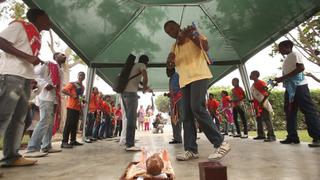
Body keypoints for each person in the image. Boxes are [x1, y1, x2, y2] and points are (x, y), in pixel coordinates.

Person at [164, 20, 230, 161]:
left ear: (178, 25)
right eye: (168, 32)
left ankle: (221, 142)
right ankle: (191, 150)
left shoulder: (192, 33)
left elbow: (205, 47)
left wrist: (192, 35)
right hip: (184, 81)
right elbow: (170, 72)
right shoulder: (173, 46)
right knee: (186, 115)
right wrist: (169, 63)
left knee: (197, 108)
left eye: (172, 28)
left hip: (199, 76)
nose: (171, 32)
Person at [0, 8, 51, 167]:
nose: (50, 22)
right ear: (40, 17)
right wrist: (28, 57)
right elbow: (1, 41)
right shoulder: (21, 26)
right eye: (48, 17)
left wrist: (32, 69)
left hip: (25, 79)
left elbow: (25, 54)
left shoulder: (36, 35)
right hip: (11, 77)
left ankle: (11, 157)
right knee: (3, 116)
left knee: (18, 120)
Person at [275, 40, 320, 147]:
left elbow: (301, 68)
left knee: (308, 111)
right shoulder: (288, 57)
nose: (279, 50)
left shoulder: (295, 54)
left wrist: (283, 78)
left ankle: (317, 137)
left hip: (300, 87)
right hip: (291, 89)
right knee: (289, 111)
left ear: (287, 47)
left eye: (280, 48)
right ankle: (292, 137)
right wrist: (282, 79)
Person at [24, 52, 66, 158]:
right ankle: (32, 148)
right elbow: (36, 74)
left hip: (54, 99)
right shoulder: (47, 64)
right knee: (44, 121)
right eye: (61, 54)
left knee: (50, 123)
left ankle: (46, 146)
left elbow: (58, 86)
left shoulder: (60, 69)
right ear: (55, 57)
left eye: (64, 55)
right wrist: (45, 84)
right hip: (45, 97)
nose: (64, 56)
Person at [122, 55, 151, 151]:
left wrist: (143, 88)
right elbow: (145, 77)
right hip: (131, 95)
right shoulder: (141, 65)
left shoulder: (133, 67)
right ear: (146, 62)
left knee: (129, 118)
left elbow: (133, 86)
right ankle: (130, 145)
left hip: (124, 94)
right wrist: (144, 88)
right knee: (131, 119)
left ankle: (128, 142)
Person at [61, 71, 85, 148]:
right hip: (71, 107)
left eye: (83, 76)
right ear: (78, 76)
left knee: (75, 125)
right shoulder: (72, 84)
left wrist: (82, 101)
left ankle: (73, 140)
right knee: (68, 124)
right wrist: (71, 95)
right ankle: (64, 142)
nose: (81, 77)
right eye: (80, 75)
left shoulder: (82, 87)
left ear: (84, 78)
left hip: (77, 107)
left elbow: (80, 97)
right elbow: (63, 90)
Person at [250, 70, 276, 142]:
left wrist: (262, 102)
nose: (250, 76)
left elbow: (267, 92)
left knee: (267, 120)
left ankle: (271, 136)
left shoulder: (261, 83)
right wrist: (252, 101)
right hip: (257, 106)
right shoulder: (253, 85)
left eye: (252, 74)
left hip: (263, 104)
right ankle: (261, 135)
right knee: (259, 120)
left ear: (256, 75)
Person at [166, 67, 183, 144]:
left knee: (176, 119)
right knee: (175, 119)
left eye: (167, 71)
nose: (166, 73)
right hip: (174, 101)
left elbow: (176, 90)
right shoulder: (172, 77)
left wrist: (170, 94)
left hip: (177, 100)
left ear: (171, 70)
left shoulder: (175, 76)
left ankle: (178, 138)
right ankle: (177, 137)